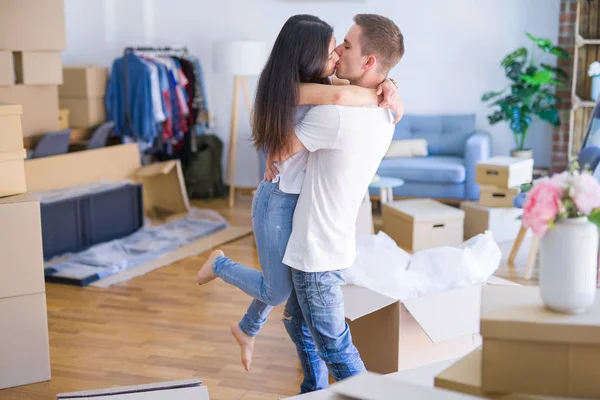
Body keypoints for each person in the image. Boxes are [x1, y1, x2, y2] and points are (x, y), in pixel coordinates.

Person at [196, 14, 404, 392]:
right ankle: (222, 269)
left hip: (304, 217)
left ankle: (252, 334)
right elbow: (339, 96)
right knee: (281, 293)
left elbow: (341, 92)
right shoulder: (326, 97)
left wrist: (386, 84)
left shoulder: (335, 97)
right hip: (282, 203)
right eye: (332, 49)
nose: (338, 54)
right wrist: (381, 87)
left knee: (291, 305)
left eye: (344, 46)